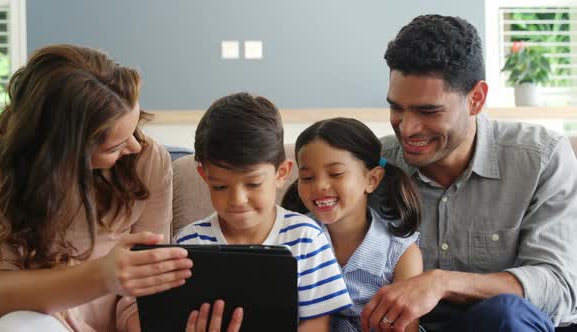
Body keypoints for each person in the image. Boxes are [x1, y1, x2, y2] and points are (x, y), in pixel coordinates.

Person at [361, 14, 577, 332]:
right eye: (397, 108)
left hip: (506, 326)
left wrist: (441, 283)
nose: (407, 128)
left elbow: (558, 287)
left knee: (504, 314)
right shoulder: (374, 166)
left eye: (428, 111)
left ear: (475, 99)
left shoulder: (542, 158)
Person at [0, 44, 201, 332]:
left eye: (135, 130)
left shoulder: (146, 159)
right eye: (114, 145)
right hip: (43, 320)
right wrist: (102, 276)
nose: (135, 146)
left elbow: (150, 281)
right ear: (63, 150)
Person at [174, 92, 353, 331]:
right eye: (220, 186)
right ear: (204, 176)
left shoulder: (306, 239)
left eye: (253, 184)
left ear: (282, 173)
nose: (238, 200)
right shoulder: (188, 243)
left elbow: (317, 324)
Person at [281, 117, 423, 332]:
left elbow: (405, 327)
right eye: (308, 177)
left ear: (372, 180)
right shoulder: (291, 239)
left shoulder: (401, 252)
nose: (320, 186)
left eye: (336, 173)